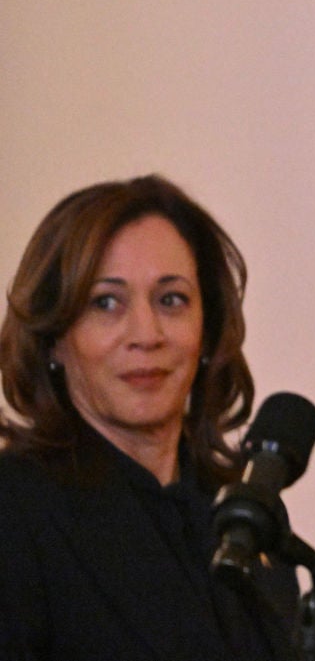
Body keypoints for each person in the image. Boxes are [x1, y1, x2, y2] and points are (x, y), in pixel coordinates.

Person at [0, 175, 298, 660]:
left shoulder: (246, 512)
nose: (146, 334)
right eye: (106, 303)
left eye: (171, 300)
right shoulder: (15, 511)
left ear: (208, 326)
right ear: (55, 337)